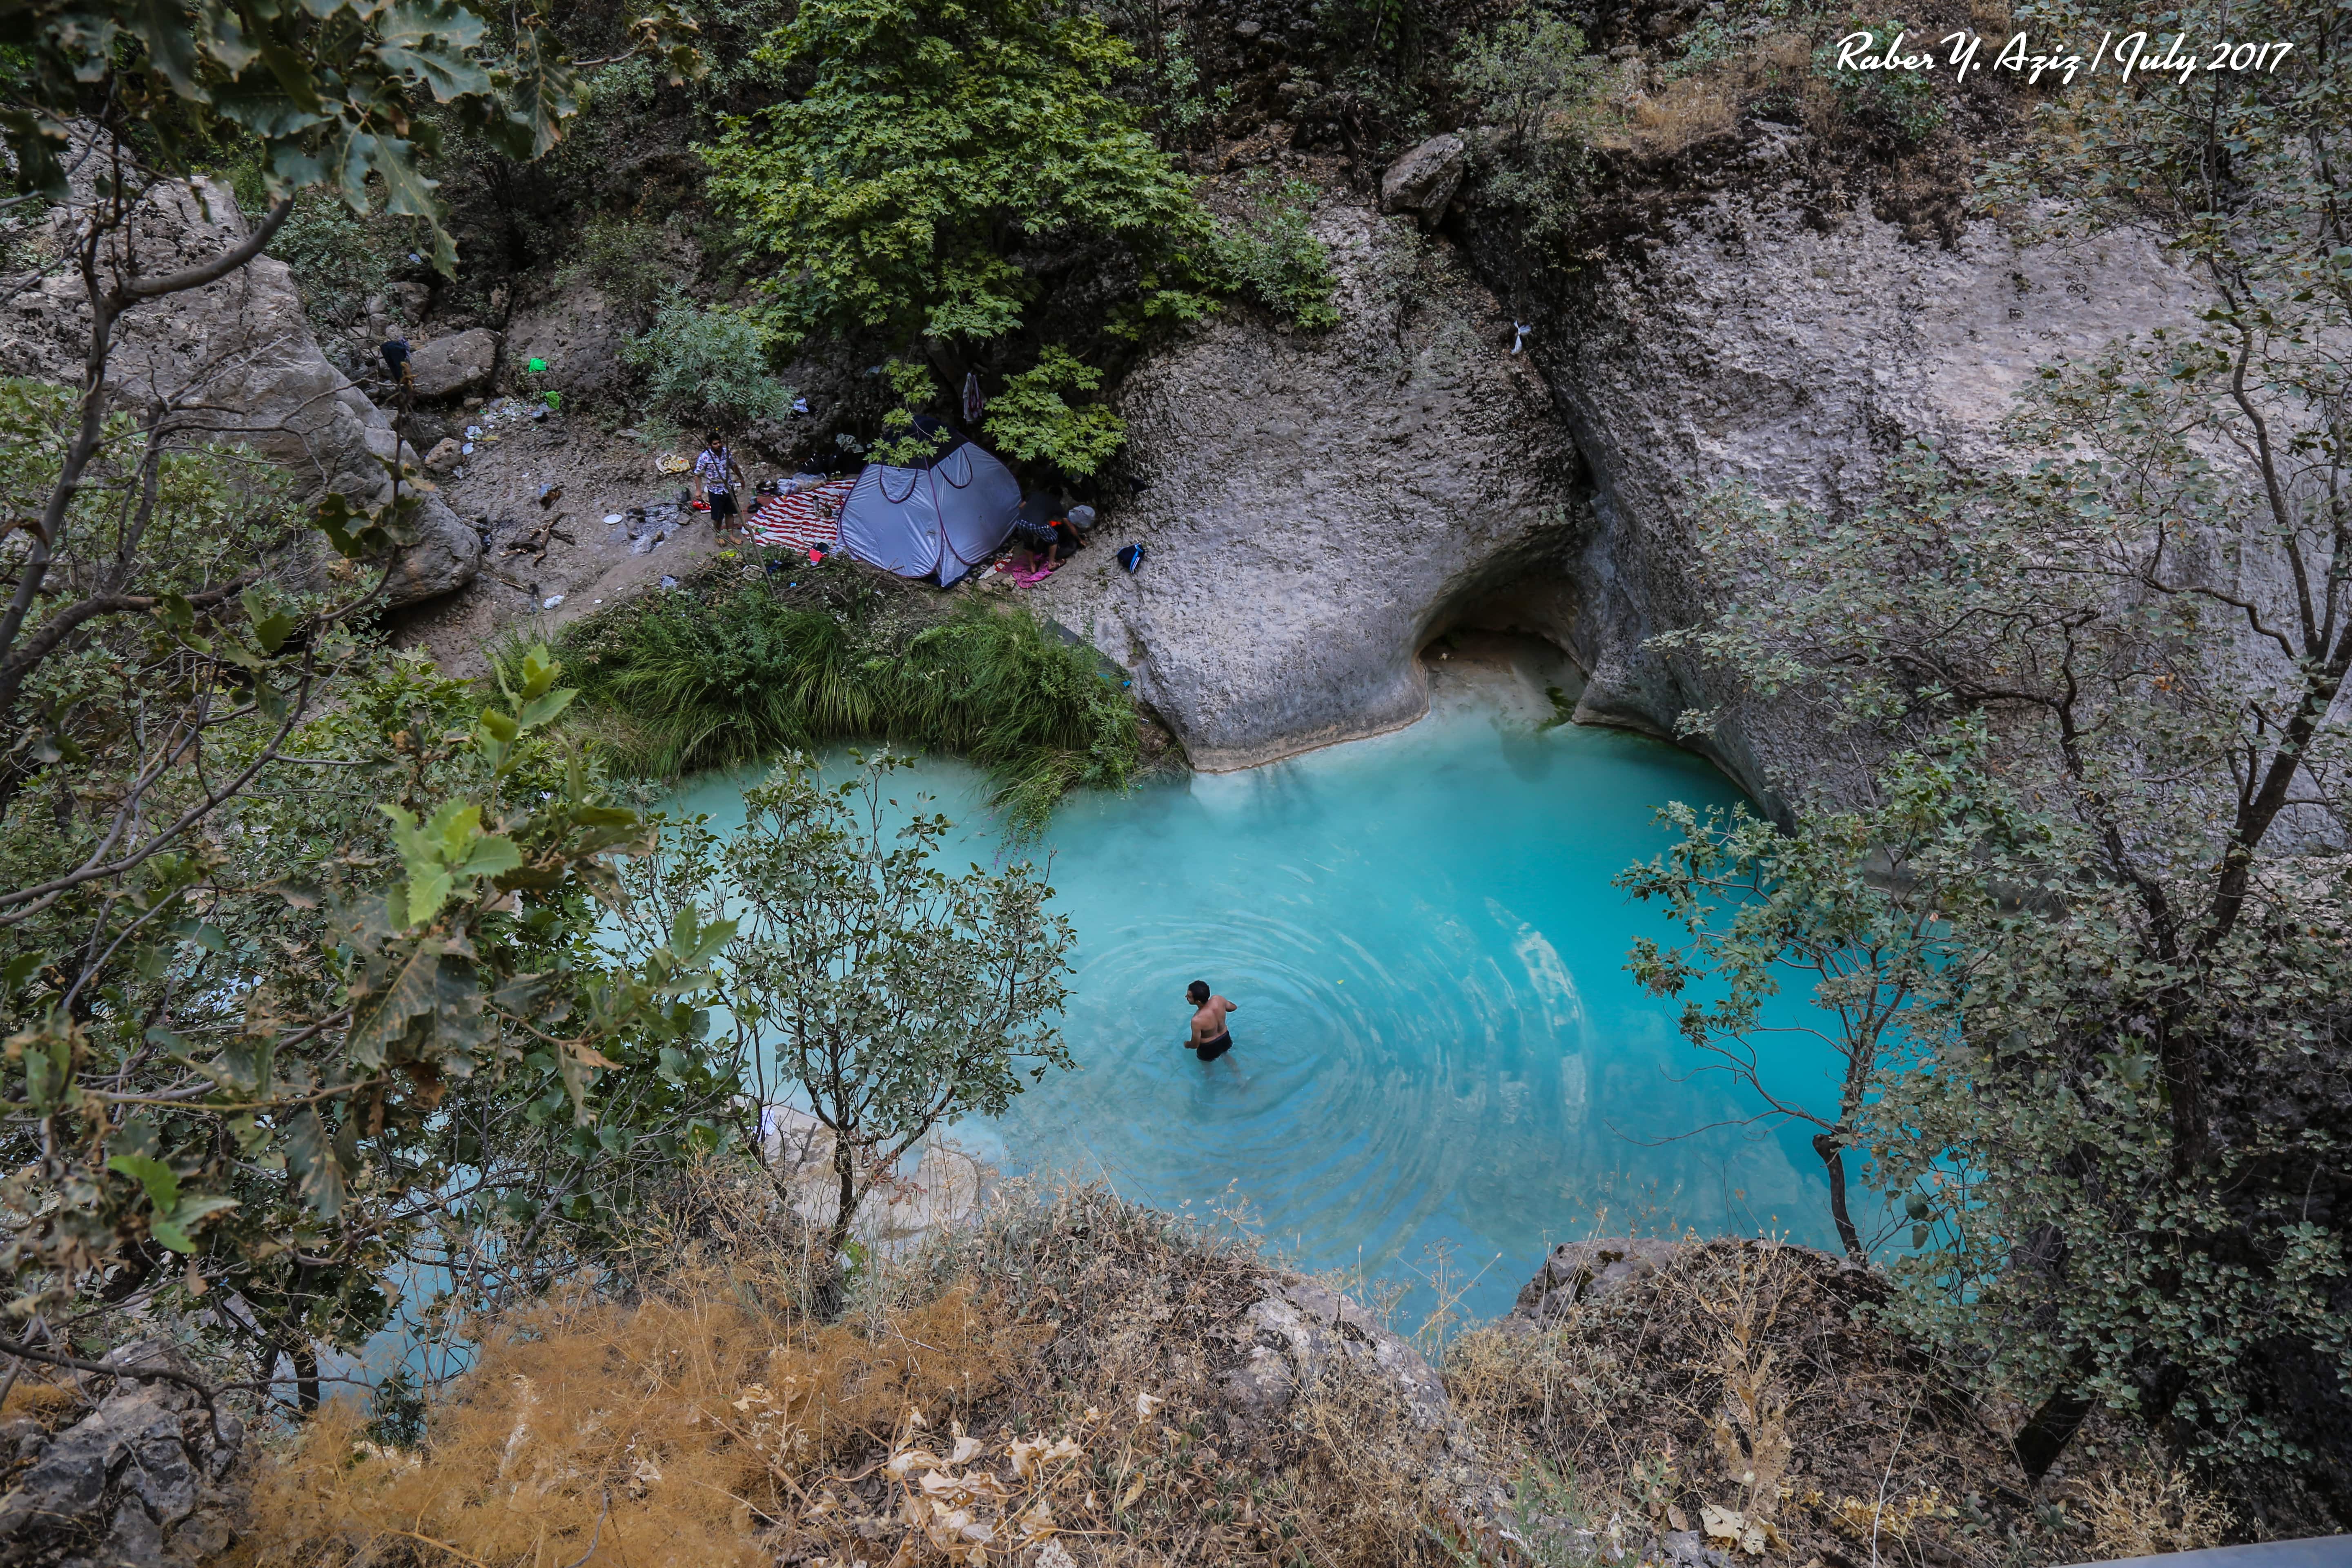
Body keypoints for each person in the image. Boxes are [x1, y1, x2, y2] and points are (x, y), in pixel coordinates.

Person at [693, 432, 748, 534]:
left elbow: (733, 465)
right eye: (715, 444)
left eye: (719, 443)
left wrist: (741, 478)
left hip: (728, 488)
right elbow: (697, 474)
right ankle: (719, 535)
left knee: (730, 513)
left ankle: (731, 535)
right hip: (715, 490)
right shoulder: (705, 457)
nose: (719, 445)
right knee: (718, 517)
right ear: (710, 445)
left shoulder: (726, 453)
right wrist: (698, 490)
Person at [1185, 980, 1238, 1062]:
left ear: (1198, 1002)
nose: (1186, 997)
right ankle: (1238, 1074)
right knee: (1228, 1058)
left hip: (1208, 1048)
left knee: (1208, 1070)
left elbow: (1195, 1045)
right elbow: (1234, 1008)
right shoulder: (1218, 1000)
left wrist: (1188, 1044)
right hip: (1225, 1039)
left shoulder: (1197, 1020)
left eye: (1189, 996)